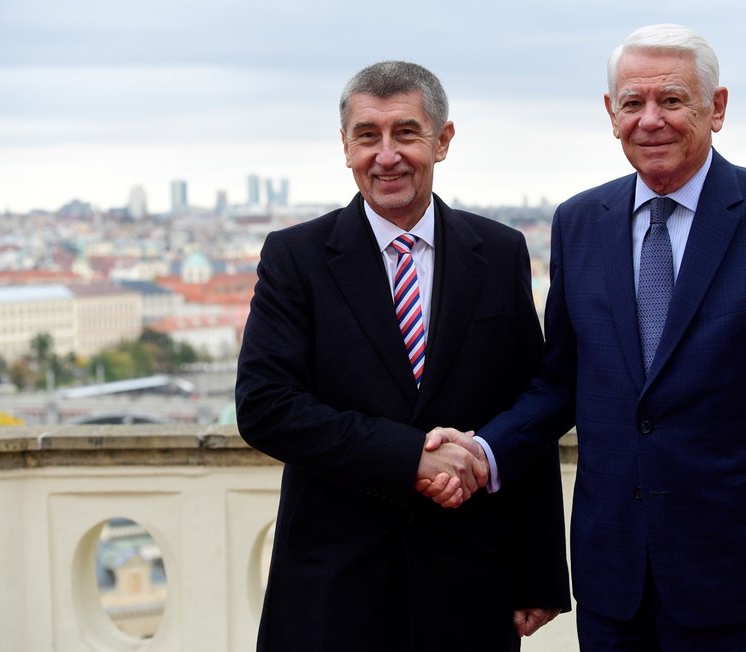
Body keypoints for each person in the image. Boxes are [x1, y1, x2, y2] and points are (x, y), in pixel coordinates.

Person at [422, 24, 746, 652]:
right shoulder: (580, 222)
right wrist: (483, 451)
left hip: (744, 579)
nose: (649, 120)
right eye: (632, 103)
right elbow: (561, 381)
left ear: (717, 108)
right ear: (610, 114)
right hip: (614, 582)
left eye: (672, 100)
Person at [235, 60, 570, 651]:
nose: (386, 155)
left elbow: (530, 408)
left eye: (406, 133)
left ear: (442, 141)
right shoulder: (296, 257)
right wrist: (410, 456)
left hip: (470, 583)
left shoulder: (498, 251)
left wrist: (539, 571)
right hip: (336, 588)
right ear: (345, 147)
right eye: (368, 136)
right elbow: (265, 407)